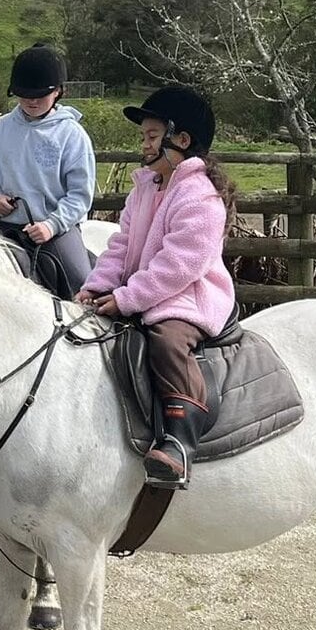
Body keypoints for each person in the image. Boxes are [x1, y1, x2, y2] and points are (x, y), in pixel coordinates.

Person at [75, 84, 237, 491]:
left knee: (166, 340)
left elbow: (178, 265)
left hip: (189, 296)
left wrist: (127, 297)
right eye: (143, 137)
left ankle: (180, 440)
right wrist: (96, 286)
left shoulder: (201, 195)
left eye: (151, 136)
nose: (143, 144)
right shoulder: (145, 186)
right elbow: (121, 245)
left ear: (181, 140)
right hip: (147, 289)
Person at [0, 43, 98, 300]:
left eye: (40, 94)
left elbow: (80, 195)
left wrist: (52, 225)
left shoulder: (72, 135)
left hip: (53, 231)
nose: (31, 100)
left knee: (82, 285)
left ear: (59, 92)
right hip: (0, 224)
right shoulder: (0, 128)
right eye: (24, 93)